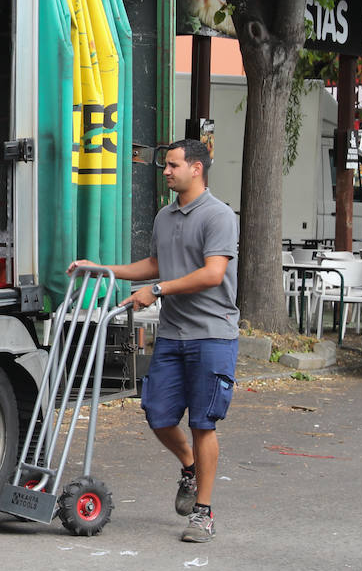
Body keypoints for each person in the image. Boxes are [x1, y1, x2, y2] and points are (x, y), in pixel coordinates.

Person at [70, 138, 238, 543]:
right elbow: (156, 264)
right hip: (174, 334)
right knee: (157, 414)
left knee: (203, 423)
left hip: (212, 335)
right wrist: (101, 268)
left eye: (173, 165)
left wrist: (158, 291)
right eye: (165, 165)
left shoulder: (219, 216)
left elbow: (213, 274)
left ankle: (203, 512)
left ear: (196, 168)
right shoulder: (166, 216)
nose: (165, 171)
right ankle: (188, 465)